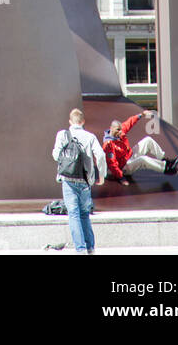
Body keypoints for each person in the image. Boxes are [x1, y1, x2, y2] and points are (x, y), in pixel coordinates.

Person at [52, 108, 107, 255]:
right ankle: (90, 248)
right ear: (83, 122)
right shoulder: (90, 136)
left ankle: (80, 249)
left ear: (70, 121)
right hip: (84, 181)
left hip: (68, 180)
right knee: (84, 214)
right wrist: (101, 175)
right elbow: (100, 155)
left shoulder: (62, 135)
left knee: (74, 215)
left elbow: (55, 155)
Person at [103, 113, 178, 183]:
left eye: (120, 130)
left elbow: (129, 122)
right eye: (118, 131)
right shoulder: (108, 145)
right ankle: (166, 169)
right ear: (112, 129)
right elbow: (112, 164)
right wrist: (121, 177)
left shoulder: (119, 132)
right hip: (124, 167)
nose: (120, 132)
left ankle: (165, 160)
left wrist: (141, 114)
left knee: (148, 140)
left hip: (129, 156)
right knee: (143, 159)